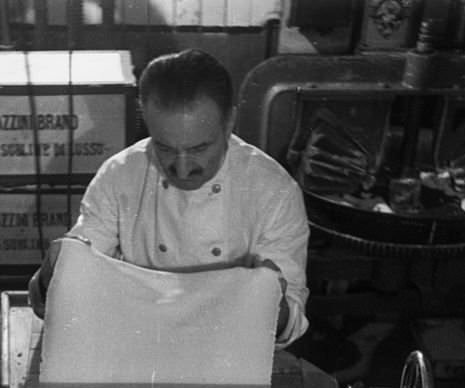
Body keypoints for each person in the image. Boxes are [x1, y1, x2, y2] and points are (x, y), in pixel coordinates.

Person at [28, 48, 310, 346]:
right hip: (138, 341)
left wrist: (273, 307)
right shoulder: (120, 175)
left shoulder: (274, 191)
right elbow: (81, 262)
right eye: (164, 147)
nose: (183, 168)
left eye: (199, 148)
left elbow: (291, 315)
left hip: (228, 348)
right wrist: (57, 276)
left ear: (229, 123)